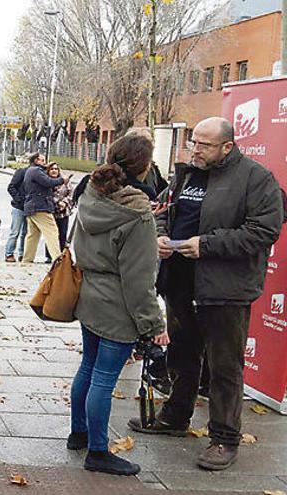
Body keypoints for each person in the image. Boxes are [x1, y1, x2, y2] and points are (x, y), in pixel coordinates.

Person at [129, 117, 284, 471]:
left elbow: (263, 230)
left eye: (204, 144)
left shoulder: (256, 179)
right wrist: (160, 236)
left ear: (227, 146)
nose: (194, 149)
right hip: (181, 282)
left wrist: (208, 246)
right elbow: (161, 211)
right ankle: (175, 416)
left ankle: (224, 437)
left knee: (224, 366)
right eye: (193, 142)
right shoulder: (186, 175)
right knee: (182, 355)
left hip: (225, 290)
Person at [68, 133, 168, 476]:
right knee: (105, 377)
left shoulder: (91, 195)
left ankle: (78, 433)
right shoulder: (137, 213)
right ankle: (98, 451)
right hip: (117, 304)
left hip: (89, 296)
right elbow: (139, 280)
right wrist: (155, 326)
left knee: (89, 366)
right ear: (144, 168)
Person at [21, 151, 64, 263]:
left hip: (31, 206)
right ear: (36, 161)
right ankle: (57, 260)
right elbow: (48, 182)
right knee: (52, 231)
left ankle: (27, 259)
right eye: (42, 160)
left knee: (33, 235)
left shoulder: (30, 171)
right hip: (40, 207)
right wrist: (62, 180)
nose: (44, 162)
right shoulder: (36, 171)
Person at [4, 155, 32, 262]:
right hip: (19, 207)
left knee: (26, 232)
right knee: (15, 231)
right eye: (41, 160)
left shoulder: (39, 174)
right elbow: (11, 187)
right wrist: (19, 199)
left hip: (30, 207)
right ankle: (9, 253)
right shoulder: (22, 172)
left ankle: (22, 254)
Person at [49, 162, 74, 251]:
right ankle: (50, 255)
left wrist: (64, 202)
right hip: (51, 211)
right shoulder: (46, 181)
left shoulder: (65, 180)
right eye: (52, 169)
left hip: (63, 212)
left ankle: (62, 254)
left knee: (63, 233)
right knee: (52, 234)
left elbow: (71, 193)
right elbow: (47, 195)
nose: (54, 171)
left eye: (56, 169)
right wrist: (57, 202)